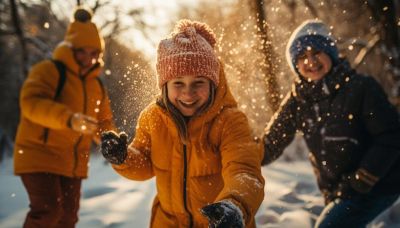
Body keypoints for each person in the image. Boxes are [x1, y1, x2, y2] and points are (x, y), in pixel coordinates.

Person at [100, 19, 265, 227]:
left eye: (199, 82)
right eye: (178, 82)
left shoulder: (230, 121)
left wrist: (234, 205)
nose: (188, 92)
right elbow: (144, 162)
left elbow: (245, 172)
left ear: (213, 84)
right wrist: (123, 157)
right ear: (165, 86)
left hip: (219, 223)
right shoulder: (153, 117)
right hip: (168, 222)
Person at [260, 19, 400, 227]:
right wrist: (239, 154)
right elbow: (271, 143)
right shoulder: (298, 100)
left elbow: (391, 136)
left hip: (379, 183)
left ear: (331, 53)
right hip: (339, 190)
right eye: (302, 57)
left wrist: (362, 179)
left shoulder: (360, 87)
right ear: (295, 65)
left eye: (316, 52)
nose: (310, 61)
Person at [13, 7, 115, 228]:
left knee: (68, 219)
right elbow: (31, 103)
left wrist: (110, 140)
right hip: (39, 154)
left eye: (94, 53)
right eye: (82, 51)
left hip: (73, 162)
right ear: (71, 48)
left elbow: (103, 121)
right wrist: (69, 119)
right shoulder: (49, 71)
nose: (88, 58)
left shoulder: (96, 85)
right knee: (48, 212)